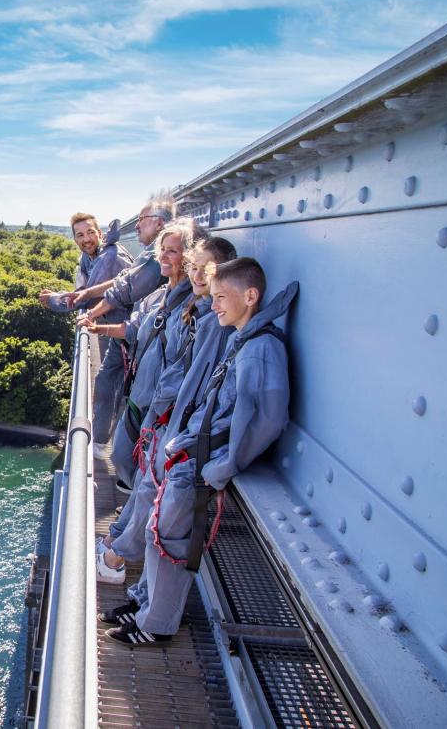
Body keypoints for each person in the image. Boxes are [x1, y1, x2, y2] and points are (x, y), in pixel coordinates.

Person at [104, 259, 298, 647]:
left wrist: (225, 465)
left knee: (168, 540)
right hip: (192, 453)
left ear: (251, 296)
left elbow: (267, 417)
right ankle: (144, 602)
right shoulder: (244, 339)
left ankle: (155, 625)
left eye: (222, 297)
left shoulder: (258, 349)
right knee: (158, 531)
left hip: (201, 462)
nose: (217, 305)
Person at [95, 236, 237, 586]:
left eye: (207, 268)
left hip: (174, 423)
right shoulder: (181, 303)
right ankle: (116, 541)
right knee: (145, 484)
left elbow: (192, 376)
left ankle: (117, 558)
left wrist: (170, 420)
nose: (199, 274)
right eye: (196, 266)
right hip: (161, 416)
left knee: (153, 493)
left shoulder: (207, 318)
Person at [79, 221, 201, 491]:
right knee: (125, 457)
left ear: (189, 257)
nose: (164, 256)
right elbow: (131, 329)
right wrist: (97, 326)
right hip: (139, 396)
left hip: (160, 408)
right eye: (163, 249)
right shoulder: (157, 297)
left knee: (144, 468)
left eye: (173, 251)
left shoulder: (193, 308)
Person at [69, 194, 174, 456]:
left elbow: (124, 287)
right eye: (79, 235)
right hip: (135, 328)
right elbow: (123, 280)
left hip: (138, 332)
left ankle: (109, 448)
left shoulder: (143, 256)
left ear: (159, 223)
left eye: (142, 221)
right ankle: (107, 444)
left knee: (116, 385)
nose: (136, 226)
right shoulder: (147, 254)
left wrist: (90, 312)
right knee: (113, 383)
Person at [38, 213, 132, 324]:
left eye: (91, 232)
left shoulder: (109, 256)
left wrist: (54, 300)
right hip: (112, 322)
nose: (86, 239)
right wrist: (58, 294)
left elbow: (89, 299)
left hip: (126, 326)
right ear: (75, 240)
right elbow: (83, 290)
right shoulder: (86, 256)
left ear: (100, 234)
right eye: (80, 235)